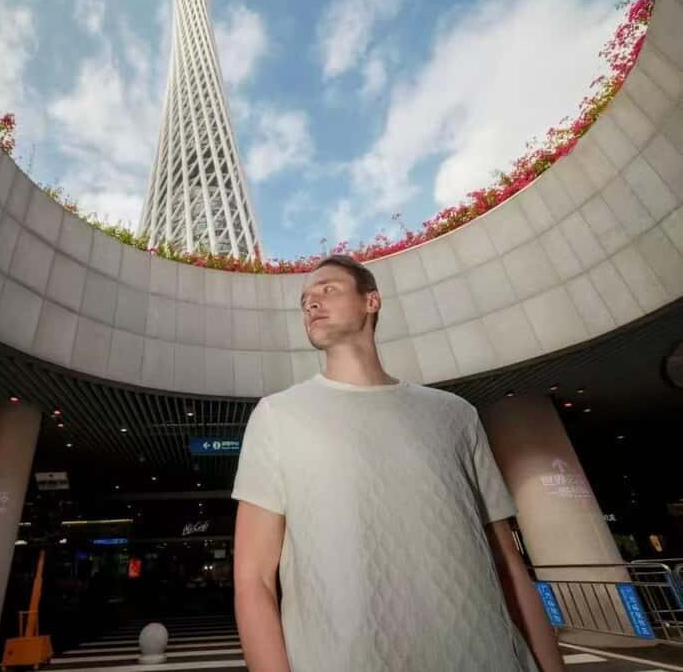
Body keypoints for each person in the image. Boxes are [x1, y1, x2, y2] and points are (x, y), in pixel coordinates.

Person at [231, 255, 565, 672]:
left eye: (328, 289)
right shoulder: (278, 415)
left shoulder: (455, 414)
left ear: (372, 301)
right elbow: (254, 580)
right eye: (305, 300)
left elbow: (508, 565)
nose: (311, 303)